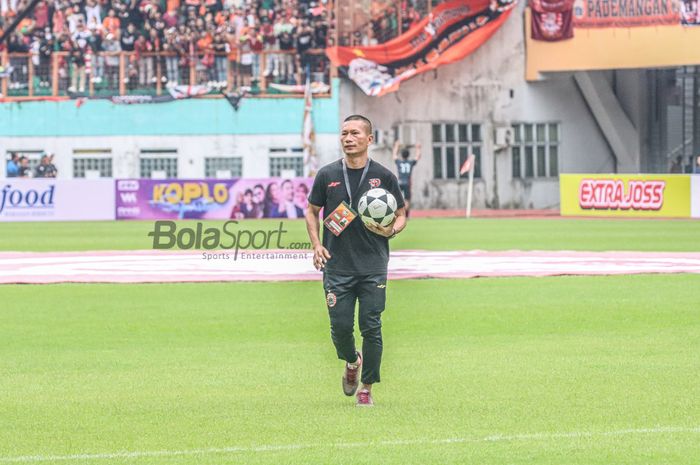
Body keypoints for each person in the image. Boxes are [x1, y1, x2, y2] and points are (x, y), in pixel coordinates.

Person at [305, 114, 406, 407]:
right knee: (340, 327)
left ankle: (367, 387)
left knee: (371, 325)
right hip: (337, 265)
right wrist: (316, 245)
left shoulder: (384, 176)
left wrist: (391, 229)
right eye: (344, 133)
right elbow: (312, 211)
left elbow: (401, 214)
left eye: (355, 133)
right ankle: (352, 360)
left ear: (369, 139)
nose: (348, 138)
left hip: (373, 265)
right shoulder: (327, 175)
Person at [392, 139, 421, 217]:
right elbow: (417, 157)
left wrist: (396, 146)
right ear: (408, 155)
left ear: (401, 155)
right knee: (407, 200)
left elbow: (394, 155)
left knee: (396, 198)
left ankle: (396, 215)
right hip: (407, 183)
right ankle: (406, 216)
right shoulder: (410, 163)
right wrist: (418, 148)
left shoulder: (399, 162)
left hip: (399, 182)